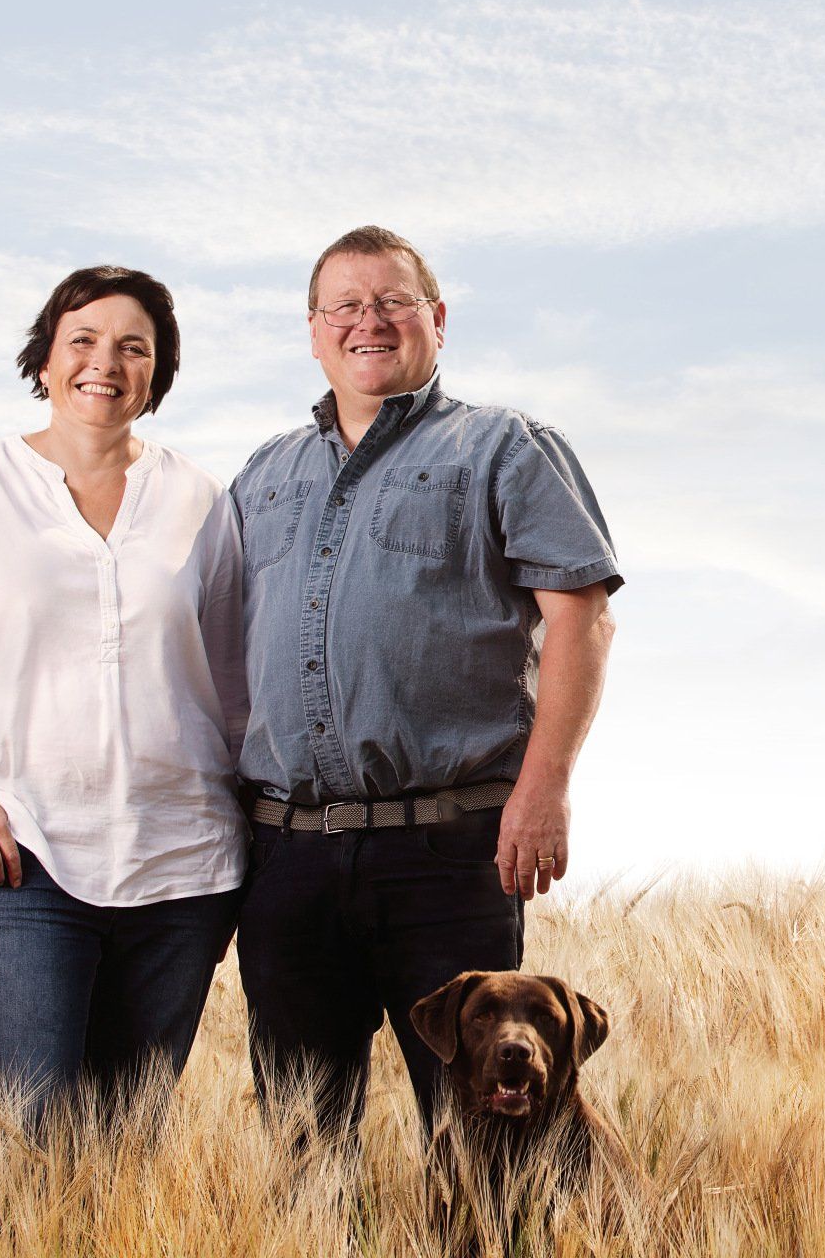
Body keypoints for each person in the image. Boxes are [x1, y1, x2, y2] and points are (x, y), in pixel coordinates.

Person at [229, 226, 621, 1148]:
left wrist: (545, 788)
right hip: (288, 857)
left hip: (448, 854)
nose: (369, 321)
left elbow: (582, 618)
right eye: (345, 307)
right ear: (314, 332)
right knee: (298, 1142)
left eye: (392, 301)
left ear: (436, 320)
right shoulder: (263, 476)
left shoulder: (505, 448)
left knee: (480, 1138)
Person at [0, 265, 248, 1137]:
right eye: (84, 340)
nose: (104, 363)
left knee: (123, 1137)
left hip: (182, 861)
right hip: (18, 850)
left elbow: (235, 684)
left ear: (157, 373)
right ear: (46, 358)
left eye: (133, 347)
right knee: (21, 1119)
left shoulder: (202, 500)